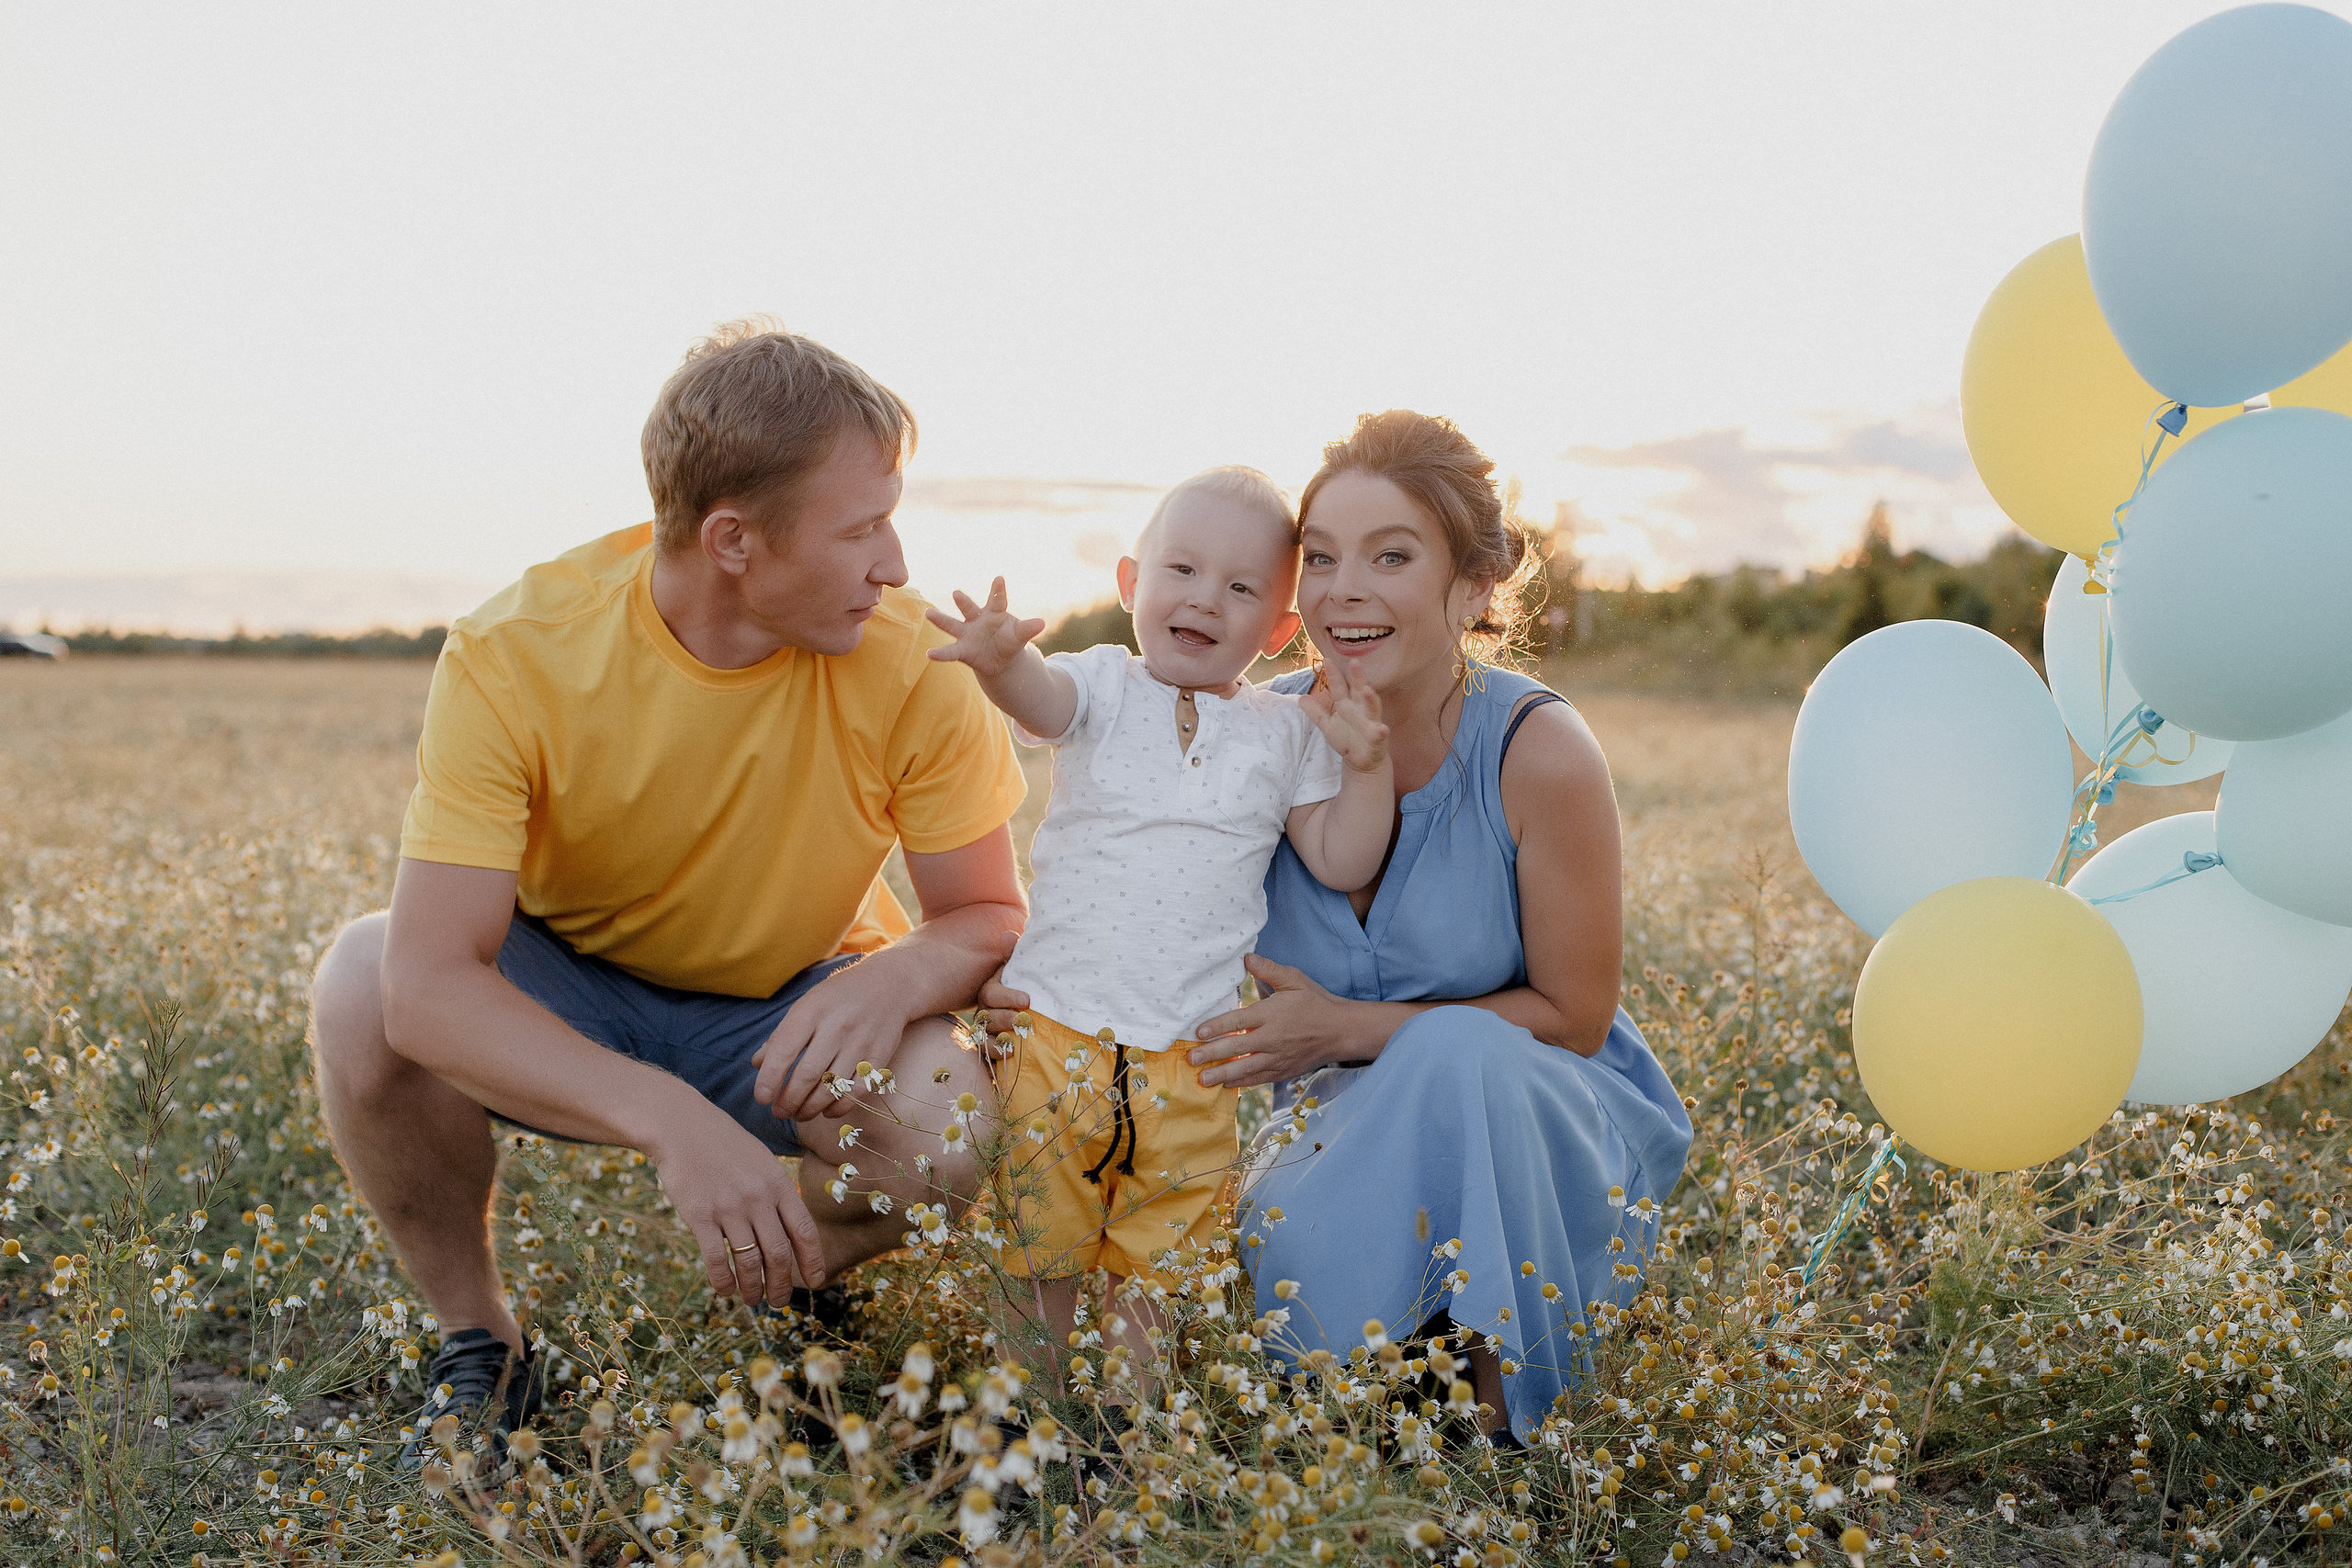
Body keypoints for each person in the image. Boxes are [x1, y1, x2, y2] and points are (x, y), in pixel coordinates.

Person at [308, 320, 1029, 1458]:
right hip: (566, 983)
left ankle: (786, 1265)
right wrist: (670, 1122)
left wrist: (902, 969)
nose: (894, 564)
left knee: (952, 1116)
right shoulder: (515, 653)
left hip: (790, 1004)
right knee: (361, 980)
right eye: (863, 529)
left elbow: (989, 914)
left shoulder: (914, 660)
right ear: (734, 539)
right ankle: (482, 1346)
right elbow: (430, 989)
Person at [986, 411, 1691, 1447]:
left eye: (1390, 557)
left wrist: (1349, 1029)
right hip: (1343, 1133)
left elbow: (1576, 1018)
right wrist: (1048, 995)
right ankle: (1391, 1364)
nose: (1343, 590)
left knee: (1462, 1054)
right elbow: (1130, 874)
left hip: (1537, 1126)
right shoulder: (1255, 732)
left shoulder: (1538, 750)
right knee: (1297, 1332)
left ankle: (1498, 1425)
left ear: (1476, 585)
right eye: (1319, 559)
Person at [925, 467, 1394, 1389]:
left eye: (1241, 588)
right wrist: (997, 660)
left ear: (1279, 629)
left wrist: (1366, 766)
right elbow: (1039, 701)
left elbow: (1343, 860)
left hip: (1193, 1054)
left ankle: (1128, 1430)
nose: (1204, 600)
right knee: (1037, 1251)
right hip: (1059, 1032)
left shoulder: (1286, 733)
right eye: (1181, 572)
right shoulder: (1100, 685)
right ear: (1132, 584)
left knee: (1155, 1270)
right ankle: (1029, 1413)